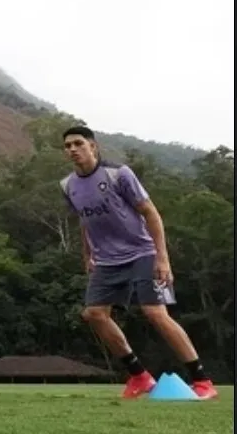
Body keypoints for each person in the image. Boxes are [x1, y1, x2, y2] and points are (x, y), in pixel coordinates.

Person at [60, 125, 218, 400]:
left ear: (93, 146)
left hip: (141, 253)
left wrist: (162, 257)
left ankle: (202, 380)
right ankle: (139, 377)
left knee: (155, 313)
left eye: (78, 143)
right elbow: (85, 221)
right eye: (68, 145)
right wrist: (88, 255)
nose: (72, 149)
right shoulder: (68, 185)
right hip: (106, 261)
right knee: (94, 314)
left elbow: (150, 212)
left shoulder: (118, 174)